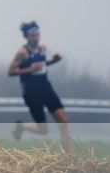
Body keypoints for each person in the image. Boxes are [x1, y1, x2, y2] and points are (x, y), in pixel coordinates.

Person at [8, 21, 73, 152]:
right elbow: (10, 72)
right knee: (44, 130)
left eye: (38, 35)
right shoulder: (22, 53)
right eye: (33, 35)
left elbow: (42, 65)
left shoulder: (43, 48)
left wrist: (54, 61)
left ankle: (69, 158)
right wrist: (30, 69)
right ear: (27, 37)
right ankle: (23, 127)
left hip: (46, 87)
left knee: (63, 119)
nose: (36, 38)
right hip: (32, 92)